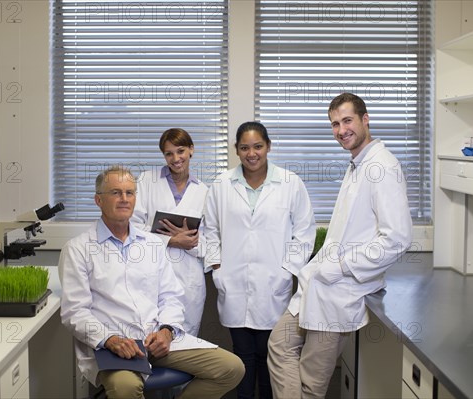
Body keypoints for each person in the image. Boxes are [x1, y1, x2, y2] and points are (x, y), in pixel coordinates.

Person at [267, 92, 413, 398]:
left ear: (365, 119)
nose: (341, 130)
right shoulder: (357, 164)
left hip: (340, 290)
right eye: (335, 124)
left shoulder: (382, 167)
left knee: (311, 383)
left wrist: (342, 266)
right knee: (279, 344)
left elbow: (397, 238)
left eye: (347, 120)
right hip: (320, 284)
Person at [59, 165, 244, 399]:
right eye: (115, 193)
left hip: (157, 339)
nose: (124, 199)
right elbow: (75, 312)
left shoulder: (152, 244)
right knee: (126, 387)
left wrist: (166, 331)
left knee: (231, 368)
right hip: (116, 345)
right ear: (98, 200)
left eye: (130, 193)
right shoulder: (78, 249)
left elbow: (170, 297)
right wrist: (110, 339)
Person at [204, 122, 316, 399]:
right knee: (242, 357)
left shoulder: (290, 183)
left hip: (273, 284)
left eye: (257, 146)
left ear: (268, 146)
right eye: (244, 148)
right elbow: (209, 230)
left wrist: (286, 270)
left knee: (270, 357)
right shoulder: (222, 184)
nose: (251, 153)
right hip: (233, 282)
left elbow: (304, 233)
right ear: (236, 150)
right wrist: (217, 267)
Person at [132, 128, 209, 336]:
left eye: (181, 151)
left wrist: (190, 242)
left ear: (191, 150)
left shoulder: (204, 191)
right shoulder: (147, 182)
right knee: (149, 339)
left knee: (186, 344)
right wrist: (170, 240)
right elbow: (132, 228)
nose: (176, 158)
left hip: (189, 279)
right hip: (151, 273)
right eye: (169, 153)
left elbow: (209, 241)